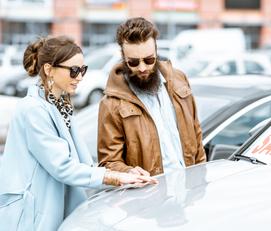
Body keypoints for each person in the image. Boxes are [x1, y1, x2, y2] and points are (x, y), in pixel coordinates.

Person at [0, 35, 157, 231]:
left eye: (82, 69)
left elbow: (81, 164)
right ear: (49, 70)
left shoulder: (61, 104)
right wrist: (114, 177)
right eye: (73, 71)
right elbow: (62, 166)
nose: (80, 77)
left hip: (53, 209)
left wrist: (123, 173)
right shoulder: (33, 109)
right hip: (30, 216)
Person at [98, 17, 206, 176]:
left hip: (190, 191)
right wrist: (129, 172)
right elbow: (109, 163)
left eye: (149, 60)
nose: (142, 68)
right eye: (133, 62)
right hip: (151, 196)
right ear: (123, 58)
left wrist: (200, 179)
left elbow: (197, 137)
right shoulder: (111, 104)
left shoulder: (179, 81)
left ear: (156, 51)